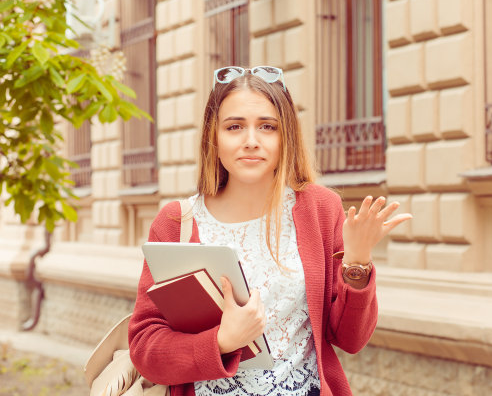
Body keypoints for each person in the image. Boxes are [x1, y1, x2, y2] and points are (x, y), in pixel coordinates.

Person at [128, 66, 412, 396]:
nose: (251, 141)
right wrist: (222, 342)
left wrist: (358, 261)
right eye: (234, 127)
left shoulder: (320, 209)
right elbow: (146, 348)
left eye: (267, 126)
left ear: (285, 135)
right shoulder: (178, 222)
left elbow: (351, 339)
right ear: (213, 136)